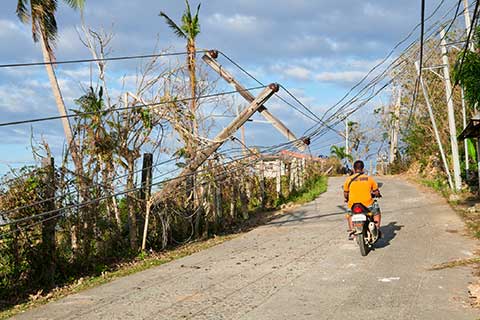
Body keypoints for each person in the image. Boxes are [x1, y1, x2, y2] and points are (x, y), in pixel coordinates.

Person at [343, 160, 381, 240]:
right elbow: (376, 191)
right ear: (363, 169)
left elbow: (346, 193)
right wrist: (377, 195)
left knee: (350, 214)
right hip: (367, 205)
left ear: (353, 169)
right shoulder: (369, 179)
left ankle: (352, 231)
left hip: (353, 205)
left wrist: (347, 199)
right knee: (376, 212)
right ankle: (376, 229)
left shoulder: (348, 179)